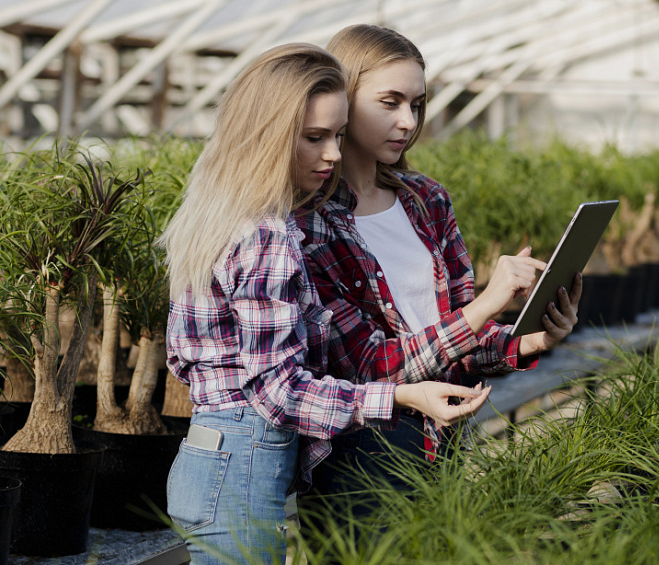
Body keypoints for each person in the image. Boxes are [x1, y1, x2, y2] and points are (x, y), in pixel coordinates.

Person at [159, 43, 490, 565]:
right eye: (314, 138)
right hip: (242, 462)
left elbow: (188, 361)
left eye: (337, 135)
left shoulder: (219, 216)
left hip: (216, 452)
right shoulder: (267, 235)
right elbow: (277, 393)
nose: (333, 154)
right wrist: (399, 397)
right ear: (266, 134)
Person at [294, 24, 582, 544]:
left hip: (442, 437)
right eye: (389, 102)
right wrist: (486, 306)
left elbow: (455, 344)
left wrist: (529, 340)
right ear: (342, 97)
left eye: (417, 104)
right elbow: (370, 365)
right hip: (362, 455)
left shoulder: (426, 199)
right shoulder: (308, 222)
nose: (408, 121)